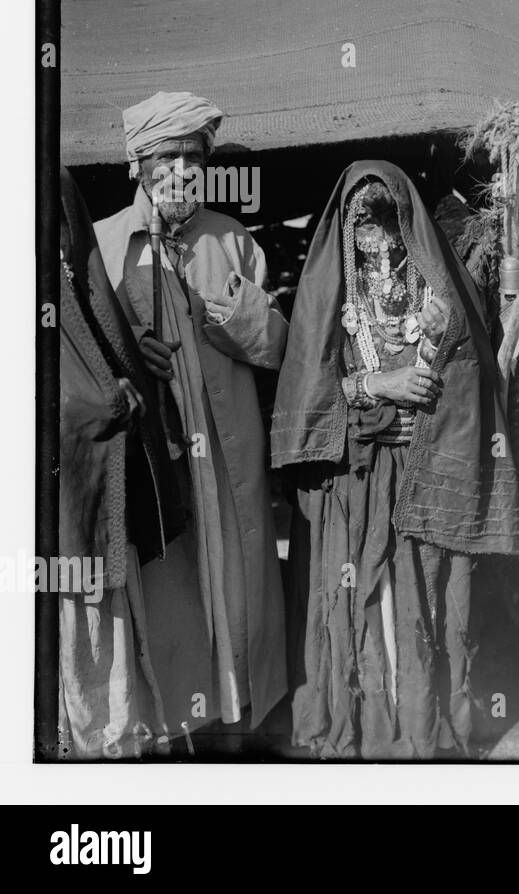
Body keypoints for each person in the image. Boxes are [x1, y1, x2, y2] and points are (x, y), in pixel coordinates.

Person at [272, 160, 519, 758]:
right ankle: (368, 730)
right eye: (363, 225)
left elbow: (471, 381)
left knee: (425, 605)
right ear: (344, 231)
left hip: (422, 473)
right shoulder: (329, 297)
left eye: (386, 221)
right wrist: (379, 388)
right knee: (363, 602)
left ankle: (421, 729)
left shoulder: (441, 295)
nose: (376, 240)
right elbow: (310, 389)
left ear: (407, 223)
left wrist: (429, 408)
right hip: (356, 481)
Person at [94, 91, 288, 740]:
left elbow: (275, 346)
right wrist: (129, 350)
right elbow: (85, 357)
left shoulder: (230, 241)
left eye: (190, 157)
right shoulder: (105, 244)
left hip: (229, 460)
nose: (180, 170)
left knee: (236, 591)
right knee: (172, 592)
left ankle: (236, 731)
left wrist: (222, 311)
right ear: (138, 165)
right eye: (166, 156)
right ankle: (175, 731)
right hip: (161, 460)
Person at [58, 167, 188, 757]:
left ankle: (109, 745)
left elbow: (96, 333)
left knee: (106, 630)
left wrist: (128, 358)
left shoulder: (69, 269)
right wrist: (102, 400)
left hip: (95, 484)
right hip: (56, 504)